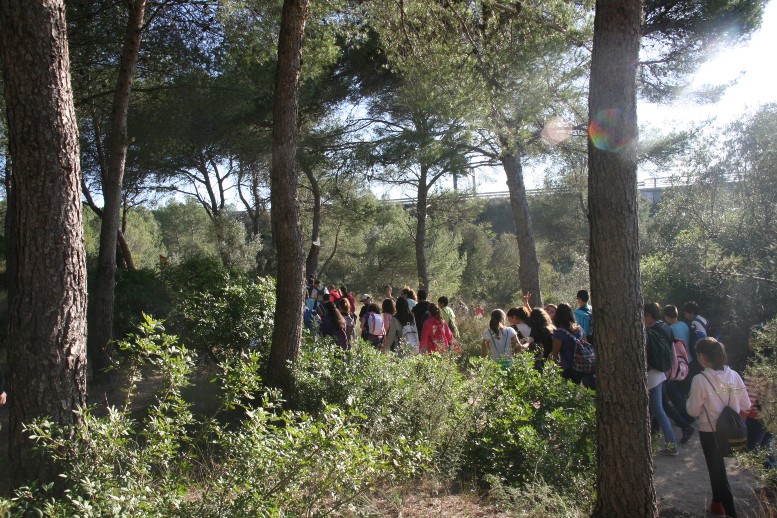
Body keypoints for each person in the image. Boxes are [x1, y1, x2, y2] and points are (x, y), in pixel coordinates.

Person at [686, 338, 751, 518]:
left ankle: (731, 513)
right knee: (717, 470)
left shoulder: (700, 379)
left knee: (718, 474)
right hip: (732, 431)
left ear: (702, 356)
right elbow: (746, 404)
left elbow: (692, 410)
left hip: (710, 432)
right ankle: (717, 505)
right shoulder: (734, 375)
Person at [644, 303, 682, 455]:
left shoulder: (649, 332)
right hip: (661, 372)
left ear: (648, 315)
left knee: (658, 409)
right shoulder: (665, 326)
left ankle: (671, 445)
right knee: (657, 408)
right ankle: (669, 443)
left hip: (651, 374)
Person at [743, 325, 776, 470]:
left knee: (752, 452)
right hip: (771, 413)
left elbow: (750, 395)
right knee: (765, 446)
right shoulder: (772, 361)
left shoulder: (757, 364)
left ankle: (772, 477)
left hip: (757, 415)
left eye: (751, 337)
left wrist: (742, 415)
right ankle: (772, 476)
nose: (749, 340)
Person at [551, 303, 594, 388]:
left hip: (569, 368)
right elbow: (585, 343)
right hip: (582, 366)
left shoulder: (559, 333)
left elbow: (554, 354)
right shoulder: (579, 329)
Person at [528, 307, 555, 371]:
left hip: (541, 361)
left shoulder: (535, 330)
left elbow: (532, 342)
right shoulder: (551, 328)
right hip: (551, 359)